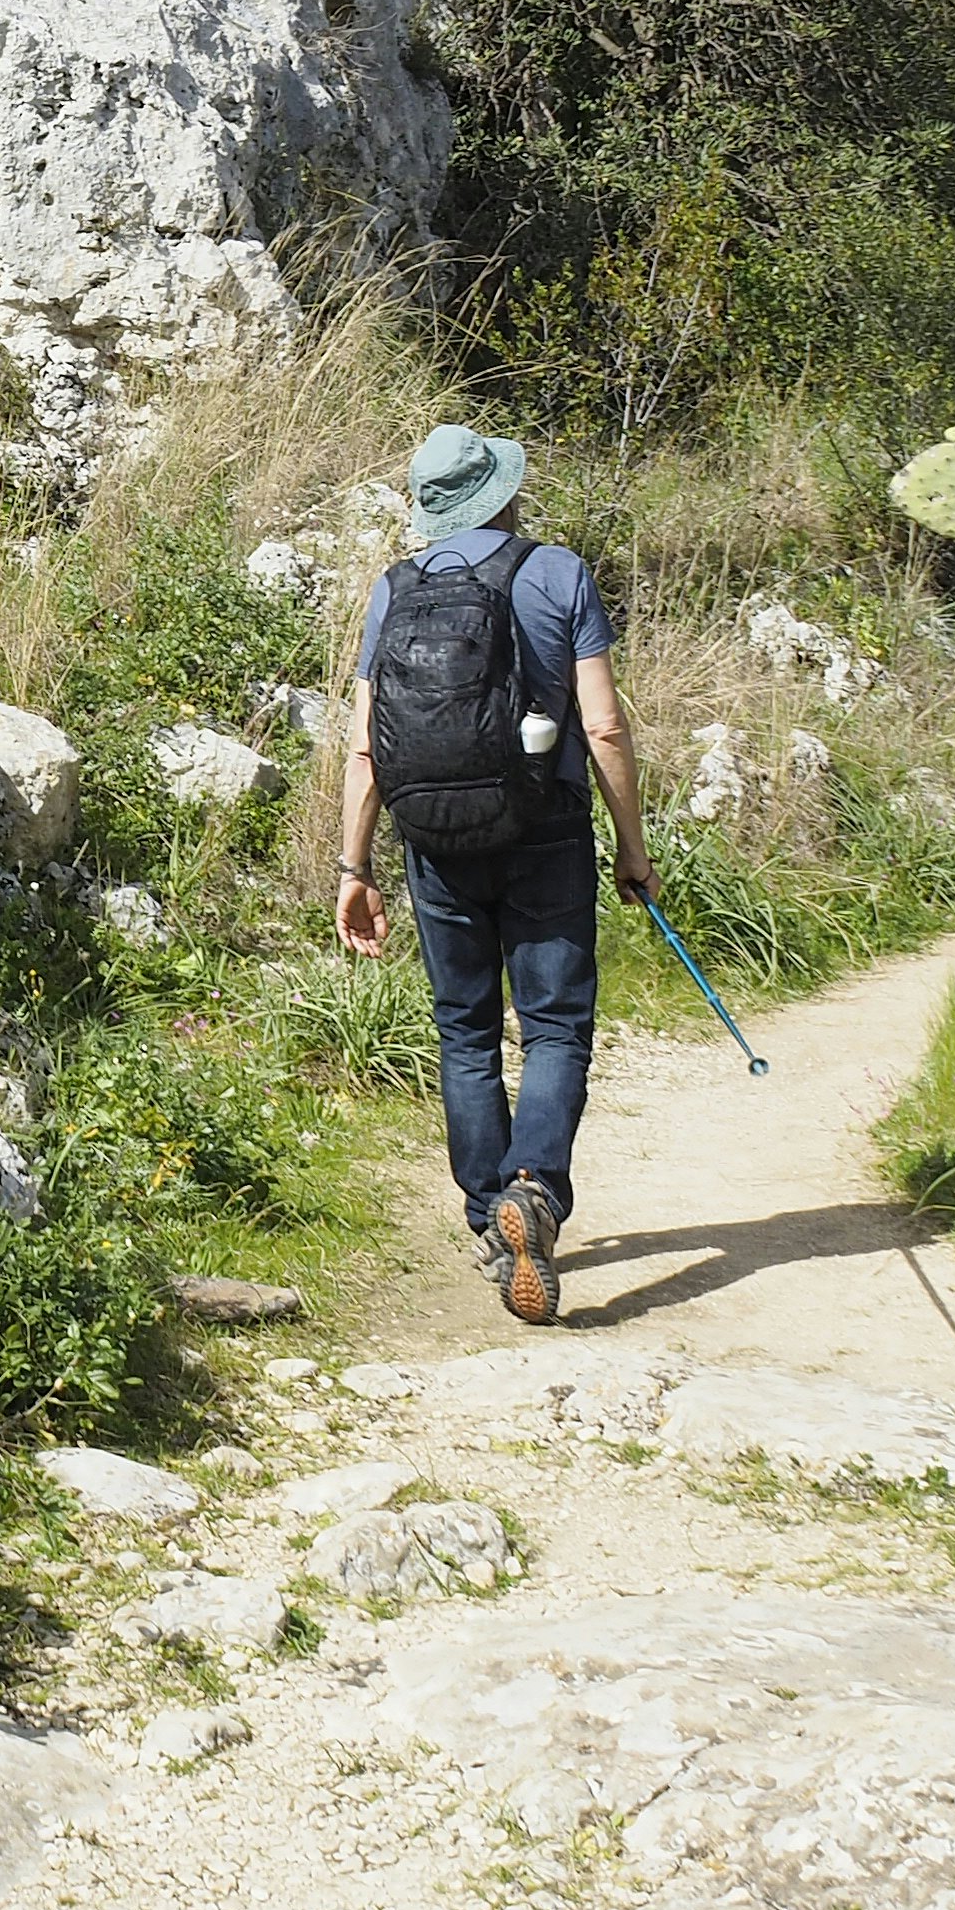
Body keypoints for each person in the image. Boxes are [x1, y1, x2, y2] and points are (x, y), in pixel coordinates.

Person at [332, 421, 656, 1325]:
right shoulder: (558, 573)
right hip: (546, 830)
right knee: (553, 1028)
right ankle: (536, 1194)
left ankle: (489, 1218)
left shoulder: (392, 591)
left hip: (434, 838)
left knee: (464, 1031)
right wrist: (633, 848)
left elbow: (365, 750)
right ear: (505, 494)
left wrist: (354, 866)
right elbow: (604, 730)